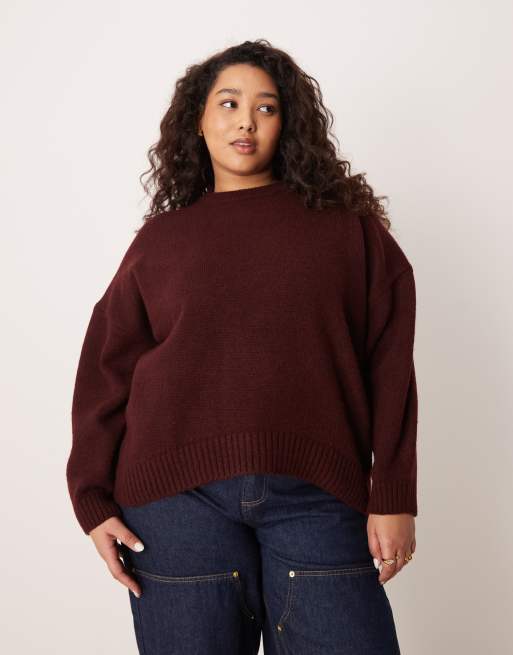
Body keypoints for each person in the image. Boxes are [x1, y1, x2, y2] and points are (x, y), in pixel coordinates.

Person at [66, 39, 418, 654]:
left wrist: (393, 493)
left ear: (289, 124)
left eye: (266, 107)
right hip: (175, 504)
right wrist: (91, 499)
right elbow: (107, 368)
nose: (246, 122)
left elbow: (389, 362)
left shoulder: (349, 232)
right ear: (198, 121)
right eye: (228, 104)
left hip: (316, 493)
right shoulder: (161, 240)